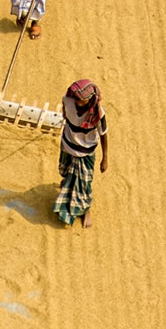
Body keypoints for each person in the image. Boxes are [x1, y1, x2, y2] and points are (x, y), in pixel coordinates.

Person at [54, 79, 108, 229]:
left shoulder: (98, 114)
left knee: (84, 182)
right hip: (67, 144)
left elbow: (103, 134)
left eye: (80, 99)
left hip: (85, 151)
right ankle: (68, 183)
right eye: (76, 98)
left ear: (89, 99)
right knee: (65, 170)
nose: (77, 101)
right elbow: (66, 113)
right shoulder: (67, 100)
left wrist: (105, 158)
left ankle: (85, 209)